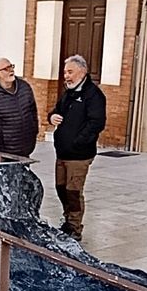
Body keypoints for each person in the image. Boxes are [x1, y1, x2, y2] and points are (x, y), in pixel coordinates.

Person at [48, 54, 106, 239]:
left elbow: (96, 123)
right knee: (61, 188)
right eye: (65, 72)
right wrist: (52, 117)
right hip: (62, 152)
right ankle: (67, 221)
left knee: (73, 191)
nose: (66, 76)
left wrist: (78, 141)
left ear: (82, 72)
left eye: (70, 72)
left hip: (79, 155)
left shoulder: (93, 95)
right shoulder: (69, 93)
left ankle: (75, 227)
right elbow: (56, 110)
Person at [0, 55, 39, 161]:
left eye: (11, 66)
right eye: (6, 69)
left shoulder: (24, 87)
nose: (11, 70)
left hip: (25, 150)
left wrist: (34, 131)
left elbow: (33, 112)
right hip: (4, 154)